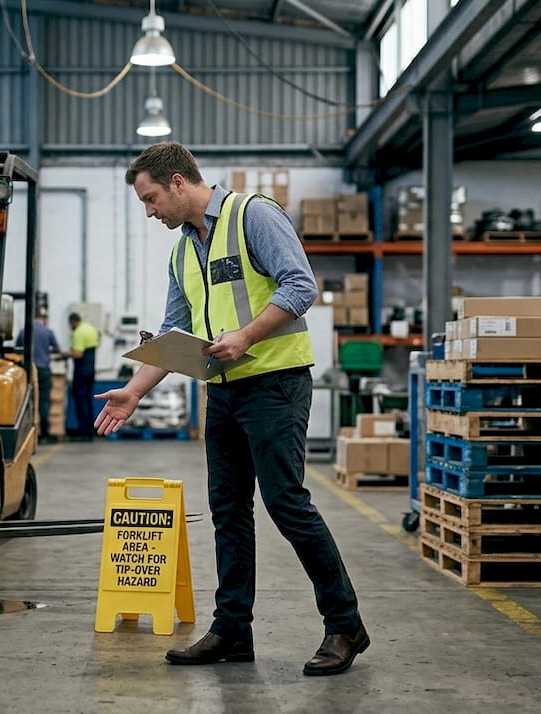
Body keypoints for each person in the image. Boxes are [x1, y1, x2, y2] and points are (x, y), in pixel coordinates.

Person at [94, 142, 369, 676]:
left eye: (151, 199)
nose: (149, 212)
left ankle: (345, 625)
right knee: (228, 511)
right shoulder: (182, 250)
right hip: (223, 391)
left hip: (275, 383)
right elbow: (178, 333)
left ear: (178, 182)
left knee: (287, 504)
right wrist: (135, 391)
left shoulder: (253, 216)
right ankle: (232, 631)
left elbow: (300, 285)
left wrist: (245, 336)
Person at [16, 308, 61, 443]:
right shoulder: (48, 332)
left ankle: (28, 433)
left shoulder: (24, 331)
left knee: (27, 401)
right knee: (44, 401)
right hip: (43, 370)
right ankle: (44, 434)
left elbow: (18, 348)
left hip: (28, 370)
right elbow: (57, 349)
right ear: (44, 318)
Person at [65, 312, 100, 441]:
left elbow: (78, 354)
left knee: (81, 401)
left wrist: (63, 355)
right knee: (88, 401)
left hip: (81, 371)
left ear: (73, 322)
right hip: (91, 371)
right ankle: (90, 431)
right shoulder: (91, 329)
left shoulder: (78, 332)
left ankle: (84, 432)